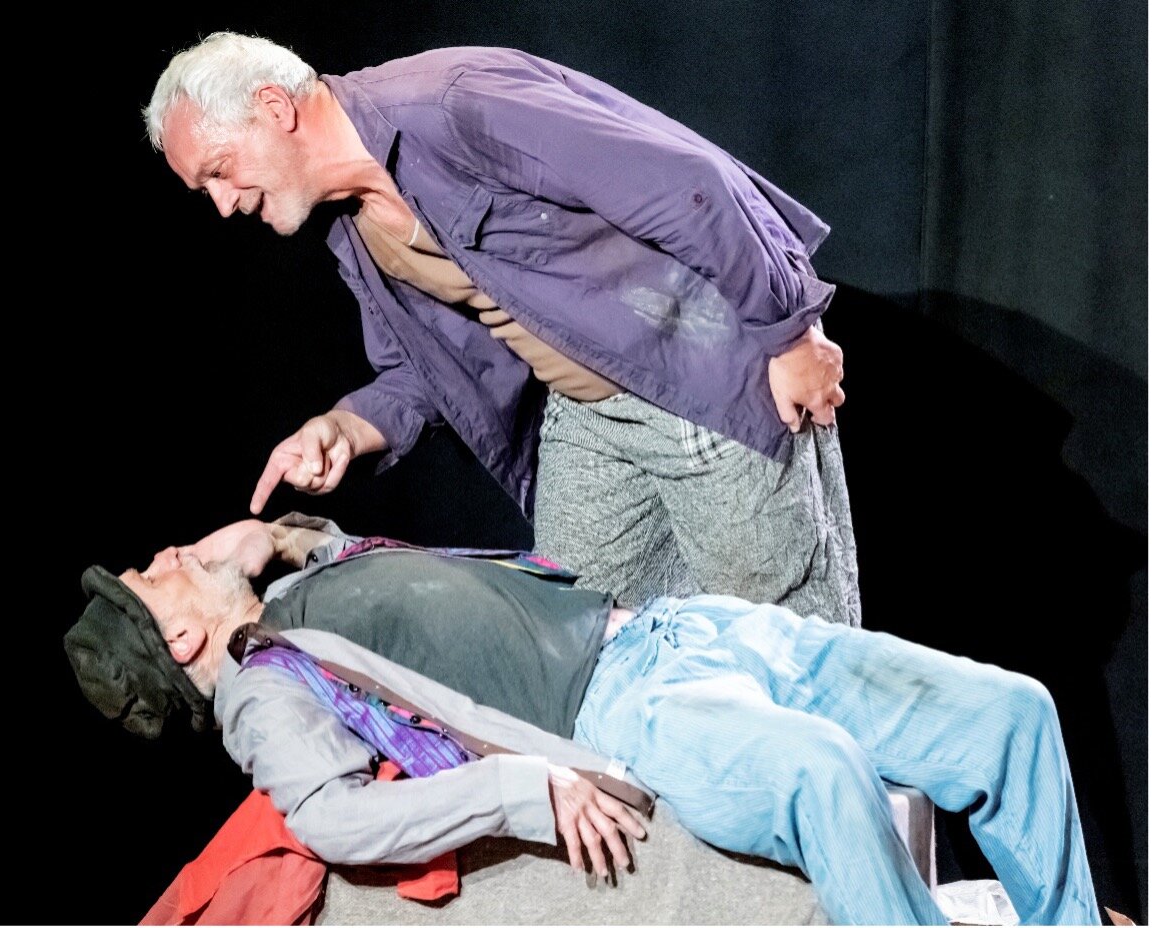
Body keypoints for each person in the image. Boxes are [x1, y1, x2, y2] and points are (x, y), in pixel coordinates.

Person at [65, 514, 1099, 925]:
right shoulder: (258, 692)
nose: (167, 553)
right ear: (182, 642)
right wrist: (527, 787)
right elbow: (334, 818)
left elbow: (380, 581)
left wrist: (278, 537)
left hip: (684, 628)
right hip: (624, 701)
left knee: (1009, 713)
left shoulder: (292, 601)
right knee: (821, 770)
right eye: (153, 577)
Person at [142, 35, 859, 620]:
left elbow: (688, 181)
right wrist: (347, 428)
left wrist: (791, 329)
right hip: (587, 417)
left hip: (690, 372)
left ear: (274, 107)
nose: (224, 205)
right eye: (206, 190)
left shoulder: (452, 104)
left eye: (219, 172)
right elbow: (422, 371)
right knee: (580, 645)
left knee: (782, 649)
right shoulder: (352, 224)